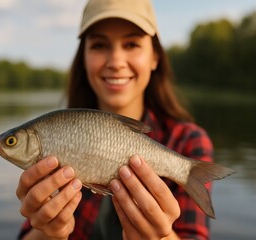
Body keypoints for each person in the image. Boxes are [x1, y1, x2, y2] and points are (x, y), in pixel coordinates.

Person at [17, 0, 213, 239]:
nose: (116, 61)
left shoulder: (188, 141)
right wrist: (48, 231)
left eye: (131, 44)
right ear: (84, 58)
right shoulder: (60, 131)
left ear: (154, 57)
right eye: (99, 45)